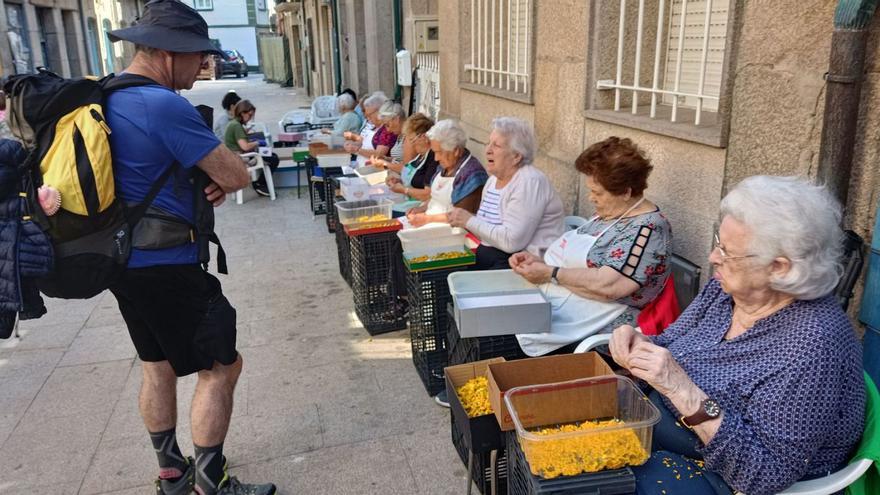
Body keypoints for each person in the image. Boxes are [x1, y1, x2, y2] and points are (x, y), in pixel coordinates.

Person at [105, 1, 276, 494]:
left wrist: (200, 179)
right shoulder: (162, 104)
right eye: (196, 55)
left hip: (123, 262)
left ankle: (171, 473)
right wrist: (215, 177)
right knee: (222, 365)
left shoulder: (110, 94)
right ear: (165, 52)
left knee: (156, 365)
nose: (203, 65)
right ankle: (210, 482)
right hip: (168, 264)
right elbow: (237, 174)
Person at [610, 176, 865, 495]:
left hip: (726, 477)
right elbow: (671, 341)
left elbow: (764, 475)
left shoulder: (814, 345)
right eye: (719, 241)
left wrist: (680, 389)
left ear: (779, 268)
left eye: (728, 251)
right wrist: (639, 343)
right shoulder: (726, 289)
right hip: (661, 432)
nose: (714, 257)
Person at [509, 137, 671, 356]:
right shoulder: (607, 215)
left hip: (598, 329)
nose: (591, 198)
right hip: (563, 305)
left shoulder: (649, 229)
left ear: (626, 192)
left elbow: (609, 286)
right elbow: (582, 270)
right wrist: (540, 264)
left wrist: (552, 273)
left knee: (503, 339)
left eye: (598, 193)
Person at [448, 117, 564, 270]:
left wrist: (468, 220)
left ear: (516, 156)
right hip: (492, 255)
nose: (488, 150)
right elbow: (486, 230)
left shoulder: (529, 181)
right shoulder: (492, 181)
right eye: (488, 143)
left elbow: (511, 242)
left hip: (523, 263)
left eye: (496, 145)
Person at [405, 119, 487, 228]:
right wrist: (421, 209)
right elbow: (435, 198)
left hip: (450, 233)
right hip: (430, 224)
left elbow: (460, 216)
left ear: (456, 151)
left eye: (439, 152)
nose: (436, 158)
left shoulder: (471, 175)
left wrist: (426, 219)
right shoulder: (444, 166)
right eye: (434, 152)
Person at [377, 112, 437, 204]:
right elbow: (416, 180)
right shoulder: (420, 156)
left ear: (424, 137)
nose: (411, 144)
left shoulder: (433, 158)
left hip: (419, 207)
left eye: (412, 139)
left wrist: (404, 190)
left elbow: (427, 194)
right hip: (408, 202)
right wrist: (399, 181)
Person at [223, 99, 279, 197]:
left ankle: (260, 183)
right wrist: (257, 142)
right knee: (273, 158)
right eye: (249, 115)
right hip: (240, 157)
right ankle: (259, 184)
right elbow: (245, 146)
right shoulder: (236, 126)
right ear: (242, 113)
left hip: (234, 156)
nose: (250, 118)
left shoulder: (234, 124)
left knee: (268, 156)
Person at [344, 91, 387, 167]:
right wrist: (352, 145)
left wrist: (356, 149)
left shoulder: (386, 130)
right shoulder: (374, 126)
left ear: (379, 111)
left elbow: (379, 154)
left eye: (369, 115)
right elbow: (363, 142)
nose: (368, 118)